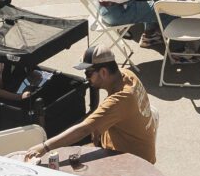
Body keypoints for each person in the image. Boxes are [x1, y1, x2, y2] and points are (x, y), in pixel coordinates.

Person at [19, 49, 156, 164]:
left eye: (88, 73)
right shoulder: (126, 75)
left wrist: (44, 147)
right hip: (132, 143)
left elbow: (84, 130)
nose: (86, 78)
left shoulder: (121, 100)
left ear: (103, 72)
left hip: (134, 159)